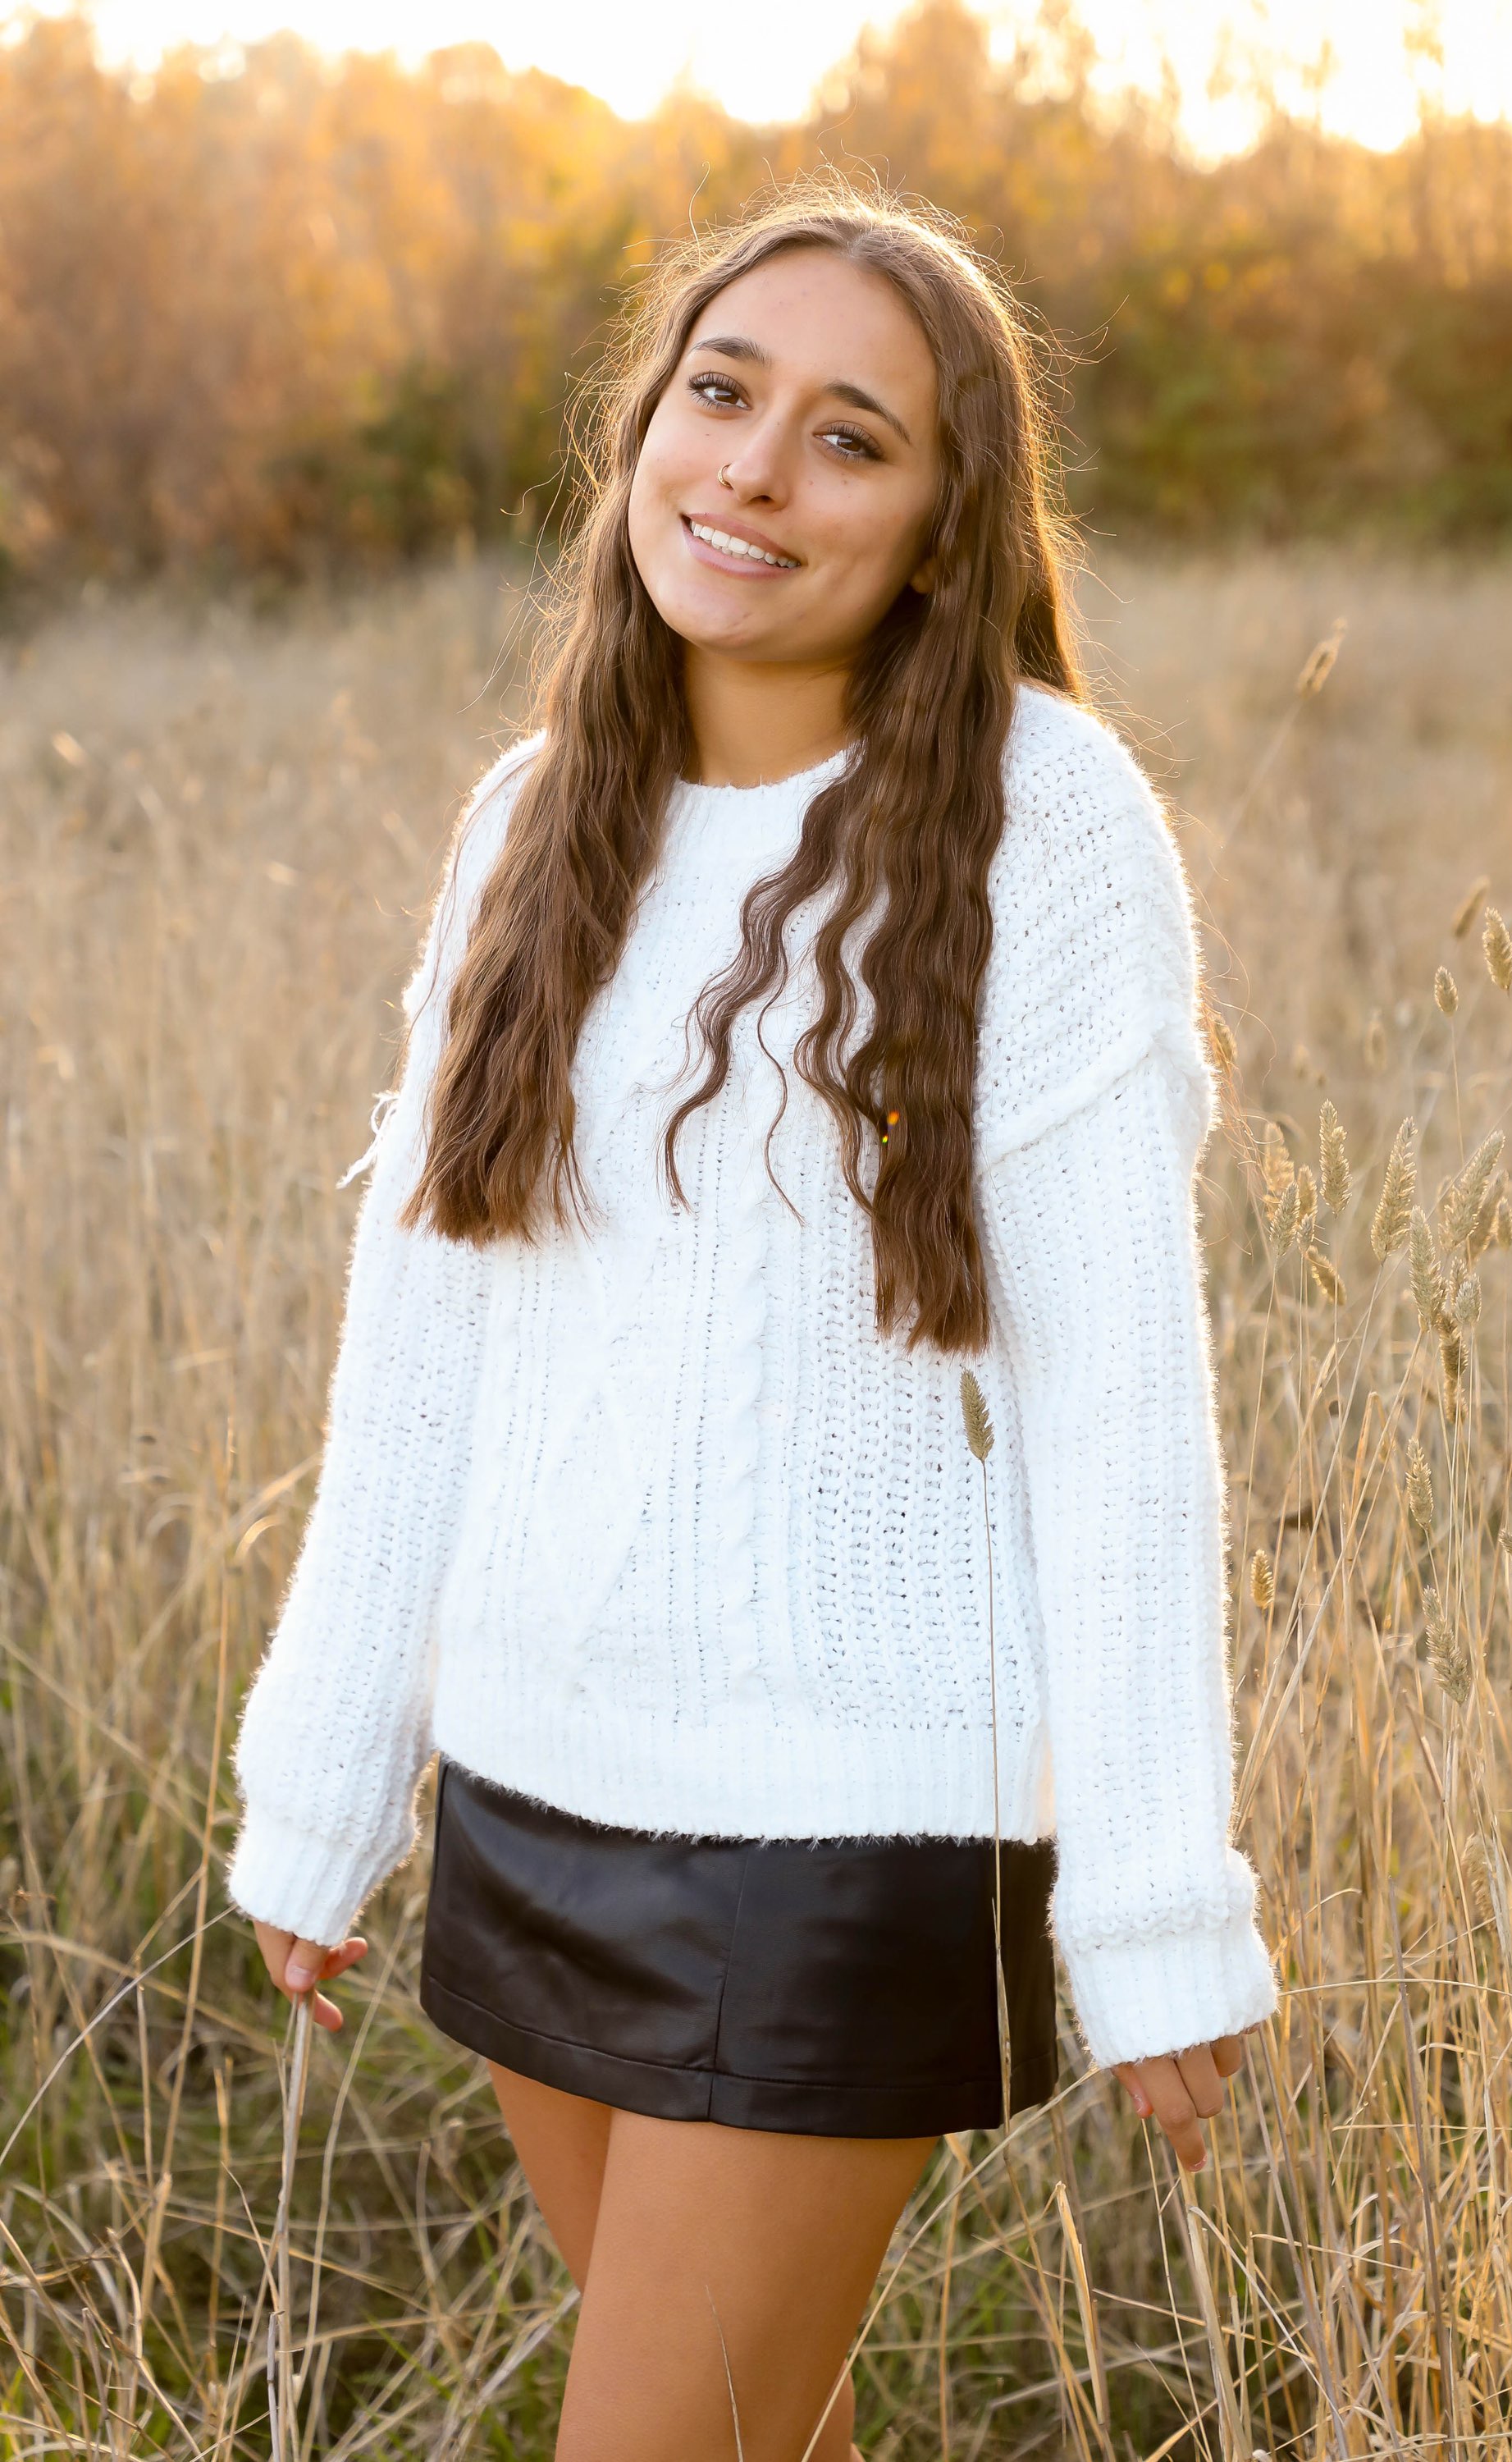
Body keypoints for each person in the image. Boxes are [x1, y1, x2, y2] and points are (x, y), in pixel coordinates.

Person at [227, 181, 1281, 2462]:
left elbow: (1123, 1411)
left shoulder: (1042, 820)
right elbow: (426, 1331)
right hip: (531, 1795)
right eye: (723, 394)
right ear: (644, 429)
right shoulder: (533, 821)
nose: (757, 471)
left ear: (943, 525)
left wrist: (1155, 1903)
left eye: (849, 437)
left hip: (837, 1841)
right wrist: (323, 1782)